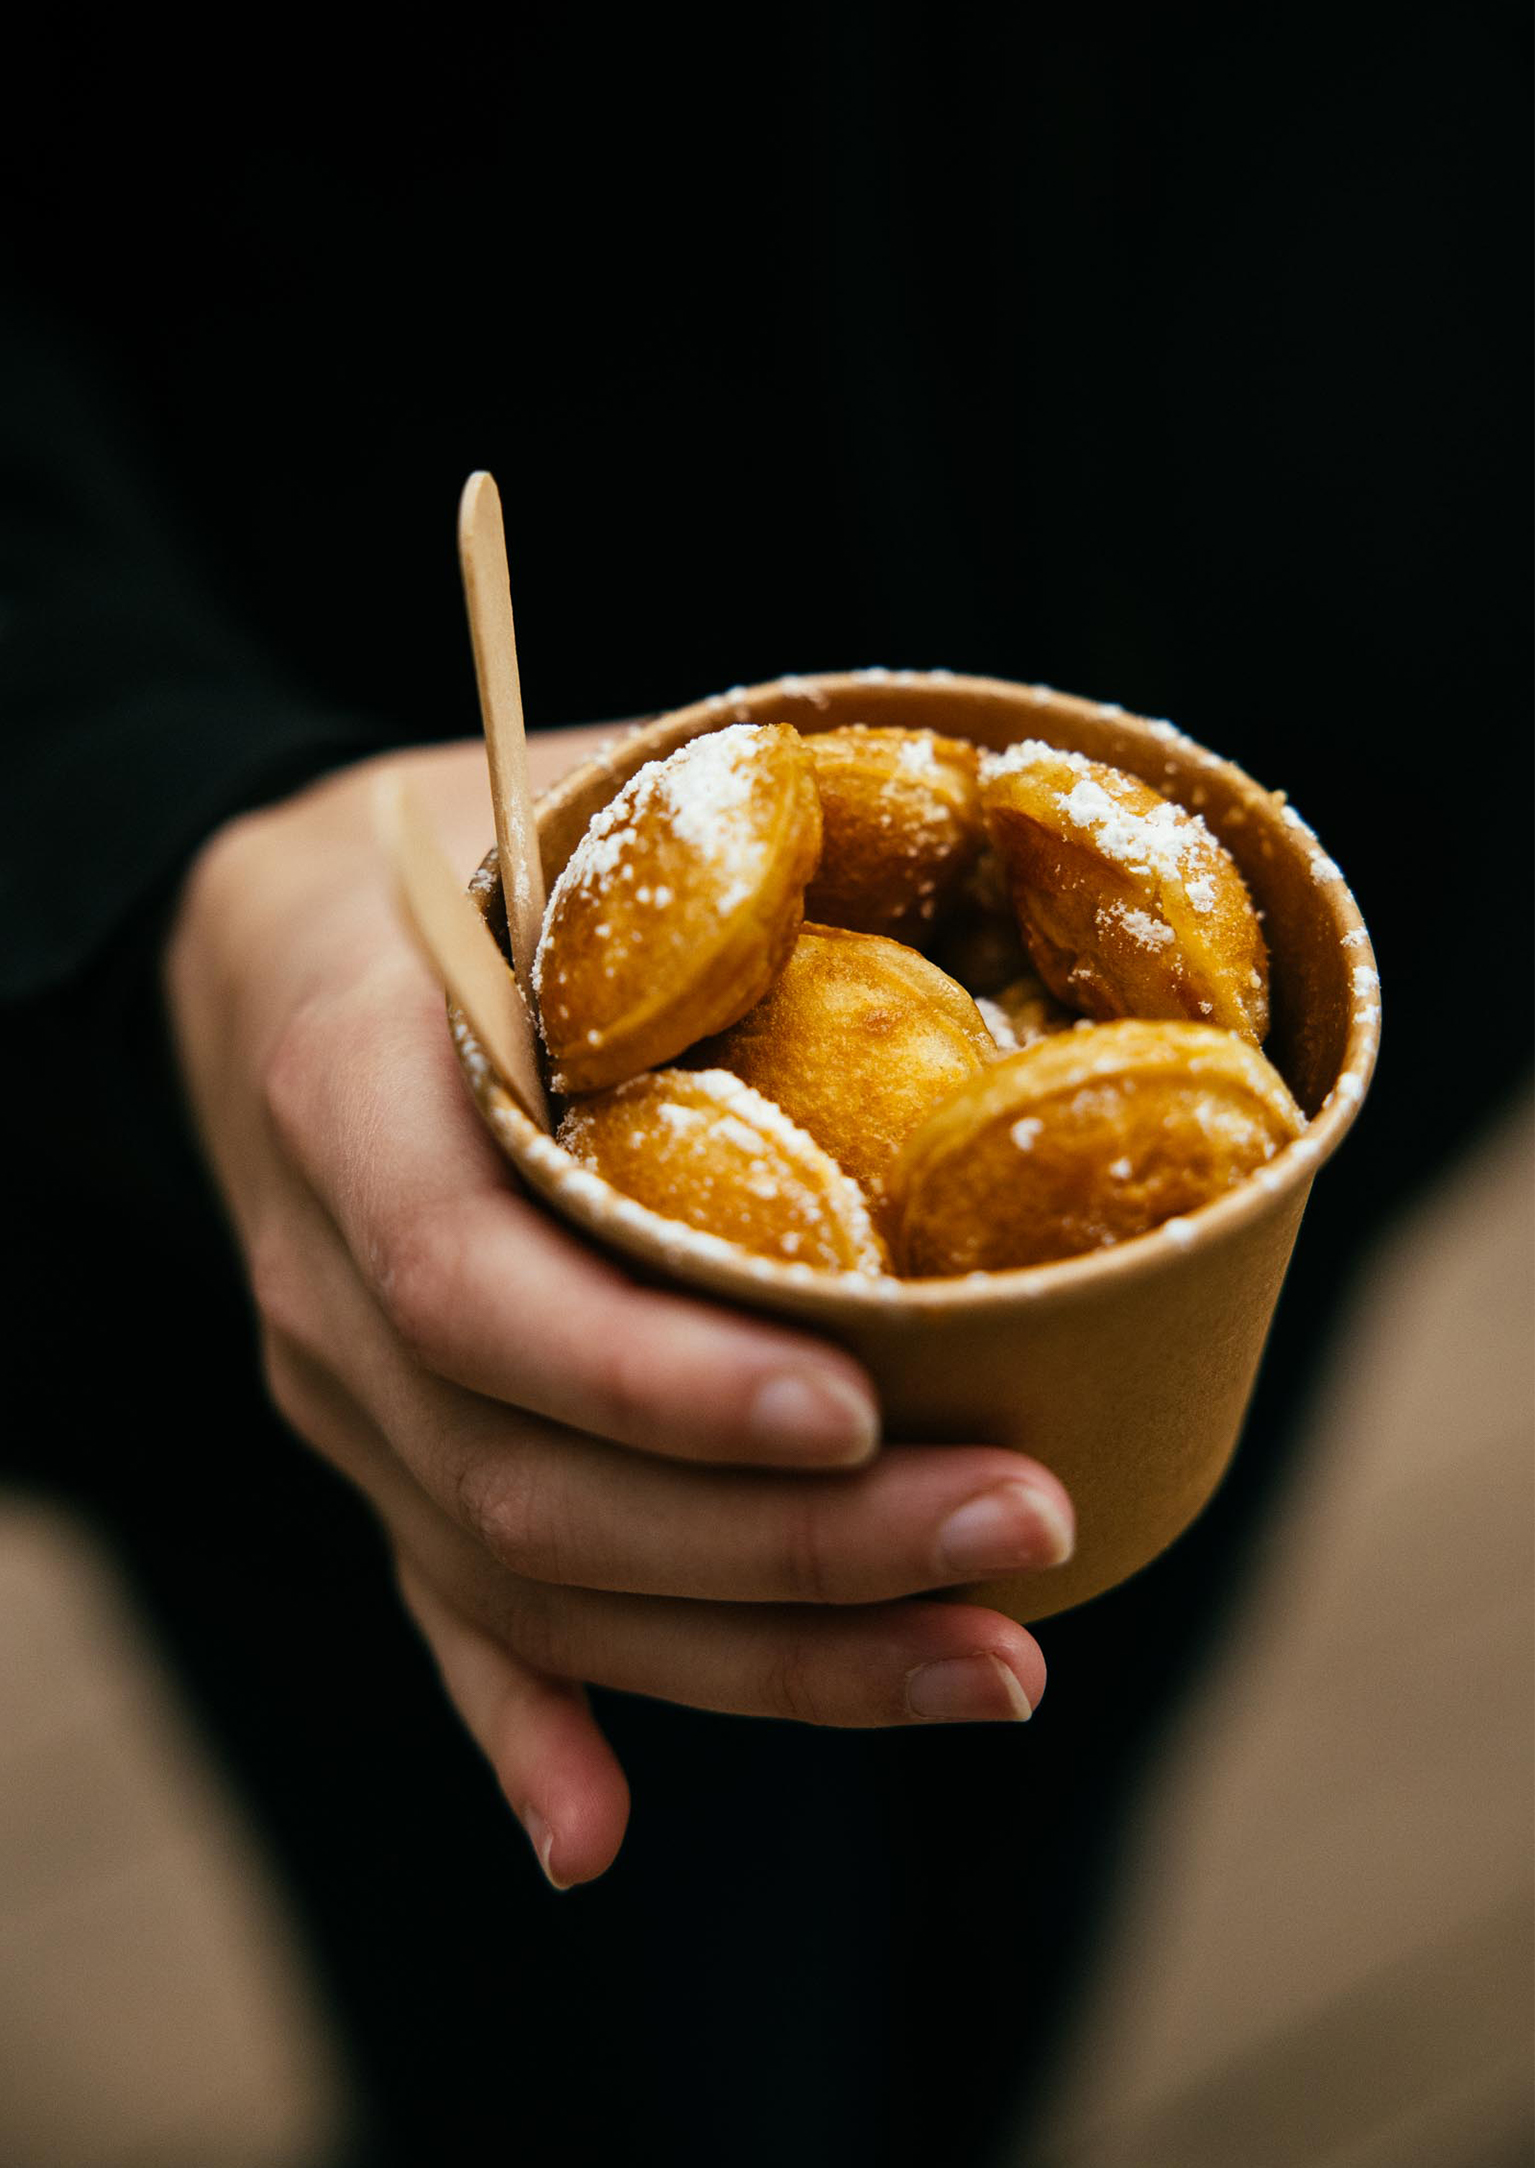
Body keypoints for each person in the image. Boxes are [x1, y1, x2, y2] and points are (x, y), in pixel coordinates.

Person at [3, 12, 1525, 2164]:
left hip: (1355, 813)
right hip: (352, 1155)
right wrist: (142, 805)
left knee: (1006, 1915)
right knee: (607, 2058)